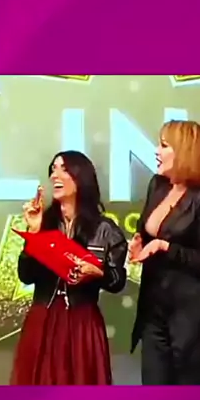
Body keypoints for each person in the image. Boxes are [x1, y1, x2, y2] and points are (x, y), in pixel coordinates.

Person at [129, 120, 200, 386]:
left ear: (184, 151)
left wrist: (166, 247)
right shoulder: (158, 186)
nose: (156, 151)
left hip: (196, 324)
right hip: (156, 314)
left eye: (164, 145)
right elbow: (149, 231)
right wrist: (140, 243)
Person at [11, 151, 128, 386]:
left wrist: (98, 273)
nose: (55, 175)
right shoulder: (44, 223)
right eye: (53, 169)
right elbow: (26, 275)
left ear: (80, 177)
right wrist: (34, 233)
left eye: (63, 169)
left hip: (82, 322)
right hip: (44, 318)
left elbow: (117, 281)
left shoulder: (104, 229)